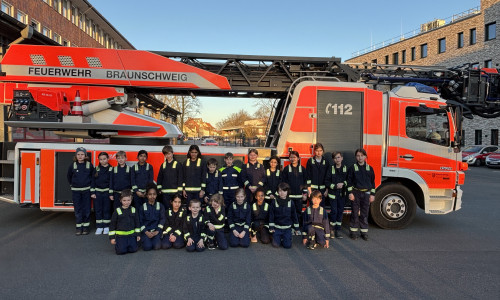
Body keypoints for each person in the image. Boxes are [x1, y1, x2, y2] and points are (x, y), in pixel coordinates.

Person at [346, 148, 376, 241]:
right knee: (355, 213)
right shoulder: (352, 168)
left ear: (365, 157)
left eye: (362, 156)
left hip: (366, 193)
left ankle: (364, 232)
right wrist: (350, 193)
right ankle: (353, 232)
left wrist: (372, 194)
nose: (360, 158)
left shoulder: (369, 168)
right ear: (356, 157)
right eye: (358, 156)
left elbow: (373, 182)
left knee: (364, 213)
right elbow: (349, 182)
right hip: (356, 193)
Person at [67, 147, 94, 235]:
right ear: (76, 155)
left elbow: (93, 177)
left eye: (82, 154)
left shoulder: (89, 165)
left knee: (86, 209)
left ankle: (86, 227)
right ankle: (79, 228)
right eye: (78, 154)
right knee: (78, 209)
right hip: (76, 191)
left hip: (86, 190)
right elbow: (69, 176)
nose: (80, 156)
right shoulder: (72, 165)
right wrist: (73, 184)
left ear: (85, 155)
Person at [108, 189, 140, 255]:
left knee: (133, 250)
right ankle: (121, 245)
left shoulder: (134, 210)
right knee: (121, 251)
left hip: (131, 235)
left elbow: (137, 223)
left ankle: (130, 244)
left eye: (128, 200)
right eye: (124, 200)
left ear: (131, 200)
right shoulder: (117, 211)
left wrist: (138, 234)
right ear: (120, 200)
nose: (126, 202)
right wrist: (112, 238)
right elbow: (112, 225)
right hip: (121, 236)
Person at [269, 182, 300, 248]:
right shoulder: (274, 202)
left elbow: (294, 215)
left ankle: (286, 237)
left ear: (287, 191)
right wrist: (271, 227)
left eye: (284, 190)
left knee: (287, 246)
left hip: (287, 228)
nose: (282, 193)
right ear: (277, 192)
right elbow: (271, 215)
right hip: (277, 228)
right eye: (280, 191)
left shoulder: (291, 202)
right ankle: (277, 236)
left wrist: (296, 228)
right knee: (275, 245)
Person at [325, 152, 348, 239]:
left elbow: (349, 180)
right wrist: (335, 186)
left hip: (342, 194)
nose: (337, 159)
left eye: (338, 157)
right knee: (334, 212)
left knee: (340, 212)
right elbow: (326, 181)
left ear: (342, 158)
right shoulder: (330, 169)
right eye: (335, 158)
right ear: (333, 160)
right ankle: (332, 230)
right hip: (333, 195)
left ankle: (338, 230)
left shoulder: (345, 168)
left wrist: (343, 184)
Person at [281, 151, 307, 224]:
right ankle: (290, 227)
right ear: (289, 158)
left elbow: (306, 183)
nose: (293, 159)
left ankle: (297, 227)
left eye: (294, 157)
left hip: (299, 196)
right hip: (290, 196)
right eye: (291, 157)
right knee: (289, 212)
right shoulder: (286, 169)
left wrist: (304, 194)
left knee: (298, 212)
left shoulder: (302, 169)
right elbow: (283, 183)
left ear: (298, 158)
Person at [139, 184, 165, 251]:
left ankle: (156, 239)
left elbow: (162, 219)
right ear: (147, 195)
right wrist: (146, 232)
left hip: (156, 231)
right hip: (146, 231)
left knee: (157, 246)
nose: (152, 196)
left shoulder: (160, 206)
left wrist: (157, 231)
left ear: (156, 195)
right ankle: (145, 240)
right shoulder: (142, 207)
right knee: (147, 247)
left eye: (154, 194)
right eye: (150, 194)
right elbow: (140, 221)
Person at [157, 145, 183, 210]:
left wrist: (179, 191)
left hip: (175, 192)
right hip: (165, 192)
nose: (168, 156)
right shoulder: (163, 165)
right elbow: (160, 177)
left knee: (175, 209)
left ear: (172, 153)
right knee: (166, 209)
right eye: (166, 154)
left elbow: (180, 177)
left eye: (169, 153)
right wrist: (159, 188)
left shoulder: (178, 164)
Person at [92, 152, 113, 235]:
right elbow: (93, 181)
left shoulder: (111, 169)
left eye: (104, 159)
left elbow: (112, 182)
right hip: (97, 193)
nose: (103, 161)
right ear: (99, 160)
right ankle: (99, 227)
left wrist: (110, 193)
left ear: (108, 159)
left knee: (107, 209)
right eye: (101, 159)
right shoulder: (96, 169)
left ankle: (106, 226)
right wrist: (93, 192)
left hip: (107, 192)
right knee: (98, 210)